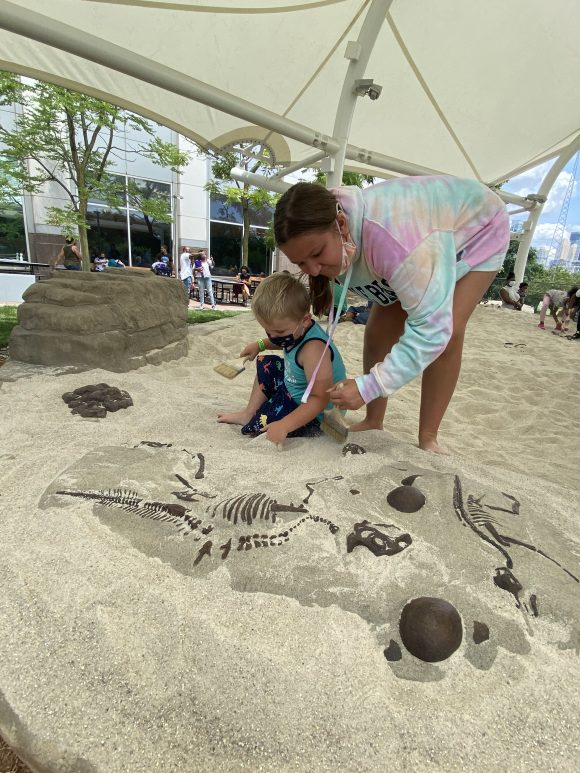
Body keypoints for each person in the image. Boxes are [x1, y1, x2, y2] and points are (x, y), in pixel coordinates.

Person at [273, 177, 510, 454]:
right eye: (301, 262)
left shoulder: (397, 245)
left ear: (341, 224)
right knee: (377, 331)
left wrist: (369, 386)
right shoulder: (333, 232)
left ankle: (428, 437)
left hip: (477, 230)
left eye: (317, 254)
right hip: (414, 244)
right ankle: (374, 420)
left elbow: (433, 330)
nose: (313, 270)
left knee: (450, 334)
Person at [217, 273, 346, 446]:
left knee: (258, 426)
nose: (274, 337)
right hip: (296, 387)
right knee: (267, 364)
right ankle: (249, 412)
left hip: (316, 413)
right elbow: (286, 342)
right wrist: (261, 344)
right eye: (268, 331)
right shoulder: (297, 330)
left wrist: (285, 425)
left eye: (280, 332)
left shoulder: (314, 350)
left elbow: (320, 398)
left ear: (305, 320)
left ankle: (256, 418)